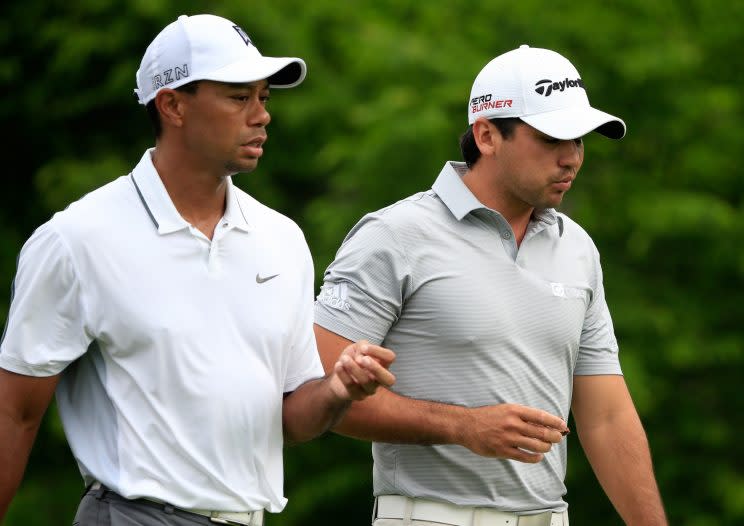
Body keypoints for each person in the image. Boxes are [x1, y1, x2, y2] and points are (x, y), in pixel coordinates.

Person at [0, 13, 395, 526]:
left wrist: (337, 391)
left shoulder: (282, 240)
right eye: (238, 97)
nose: (261, 116)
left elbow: (291, 419)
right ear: (173, 105)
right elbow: (14, 413)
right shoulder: (78, 239)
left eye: (264, 98)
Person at [314, 45, 667, 525]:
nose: (572, 159)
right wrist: (461, 427)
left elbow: (605, 418)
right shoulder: (394, 235)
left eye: (580, 141)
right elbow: (319, 392)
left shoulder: (577, 249)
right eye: (552, 139)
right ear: (486, 135)